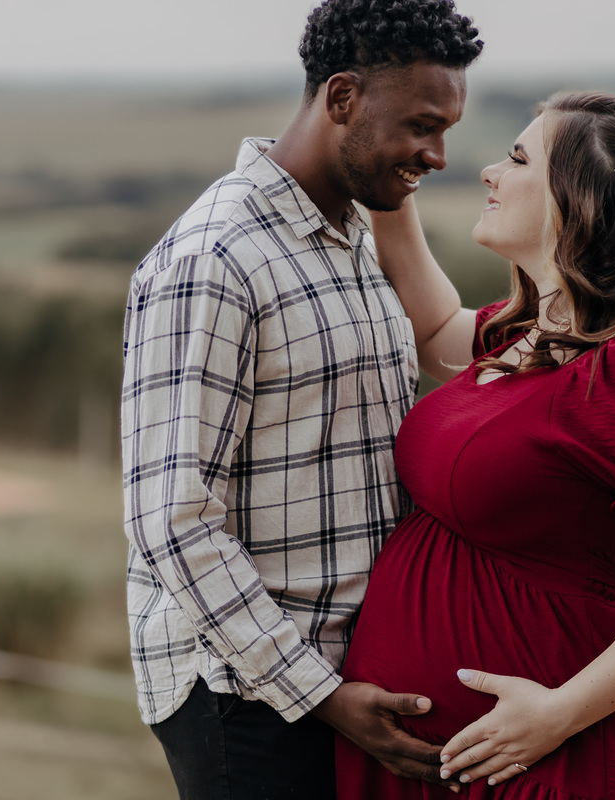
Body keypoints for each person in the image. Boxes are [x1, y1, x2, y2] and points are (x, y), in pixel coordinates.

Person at [334, 91, 615, 798]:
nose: (489, 172)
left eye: (517, 159)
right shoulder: (535, 338)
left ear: (578, 199)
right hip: (448, 763)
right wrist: (389, 181)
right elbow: (435, 323)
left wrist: (557, 714)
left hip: (561, 762)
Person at [120, 1, 483, 797]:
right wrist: (320, 694)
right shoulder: (215, 258)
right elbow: (173, 519)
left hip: (347, 682)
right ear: (343, 98)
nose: (438, 155)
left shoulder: (353, 235)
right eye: (422, 126)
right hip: (248, 694)